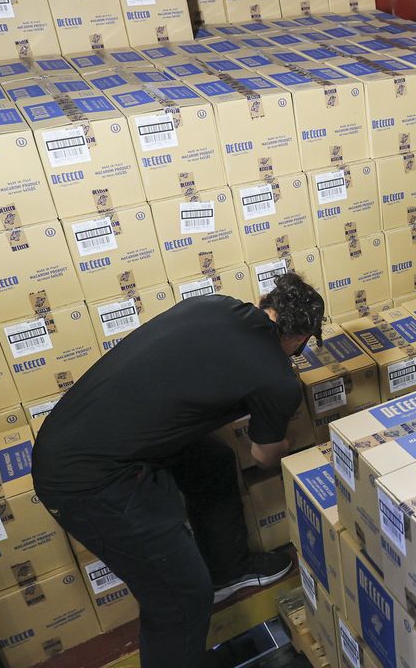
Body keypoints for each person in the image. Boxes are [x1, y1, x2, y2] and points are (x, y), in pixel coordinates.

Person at [33, 273, 325, 668]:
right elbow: (264, 456)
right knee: (181, 598)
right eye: (302, 347)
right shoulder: (276, 377)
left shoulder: (213, 305)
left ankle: (229, 571)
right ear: (300, 337)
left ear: (263, 301)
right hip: (92, 480)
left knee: (213, 460)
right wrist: (293, 438)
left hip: (66, 437)